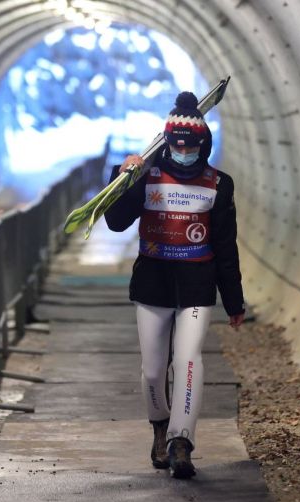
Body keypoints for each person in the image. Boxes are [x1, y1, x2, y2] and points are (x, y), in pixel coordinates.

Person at [104, 91, 245, 479]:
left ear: (203, 144)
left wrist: (234, 301)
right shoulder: (145, 176)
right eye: (177, 144)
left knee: (187, 360)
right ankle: (160, 428)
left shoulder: (218, 184)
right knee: (153, 371)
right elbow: (115, 222)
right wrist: (122, 177)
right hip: (153, 283)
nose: (184, 151)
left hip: (197, 285)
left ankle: (181, 442)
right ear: (166, 142)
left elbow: (224, 246)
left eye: (191, 145)